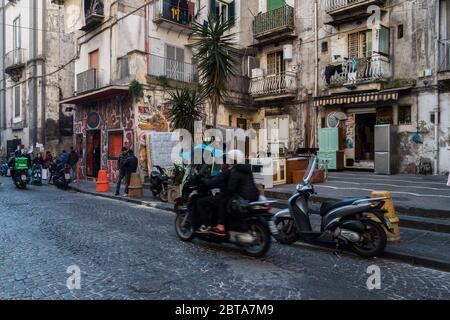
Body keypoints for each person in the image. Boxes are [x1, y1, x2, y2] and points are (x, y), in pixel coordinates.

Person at [204, 150, 259, 237]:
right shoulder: (247, 169)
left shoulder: (236, 171)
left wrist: (223, 191)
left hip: (243, 198)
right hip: (255, 196)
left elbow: (231, 189)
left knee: (223, 200)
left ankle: (220, 226)